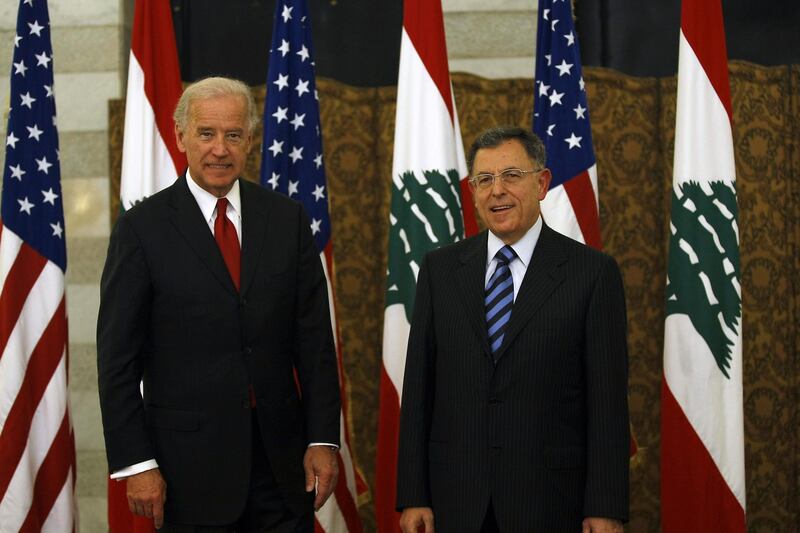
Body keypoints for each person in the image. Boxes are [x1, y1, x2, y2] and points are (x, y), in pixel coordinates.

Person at [97, 77, 341, 531]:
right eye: (206, 134)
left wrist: (324, 439)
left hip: (282, 468)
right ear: (180, 135)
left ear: (249, 139)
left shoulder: (286, 220)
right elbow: (117, 362)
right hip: (186, 472)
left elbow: (315, 345)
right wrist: (137, 463)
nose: (219, 149)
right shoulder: (141, 229)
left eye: (233, 135)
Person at [396, 126, 629, 533]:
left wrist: (605, 505)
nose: (497, 190)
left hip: (552, 503)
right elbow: (419, 391)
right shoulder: (440, 271)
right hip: (457, 502)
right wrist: (414, 495)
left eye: (511, 176)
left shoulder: (591, 274)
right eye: (484, 180)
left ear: (542, 183)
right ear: (472, 193)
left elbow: (607, 403)